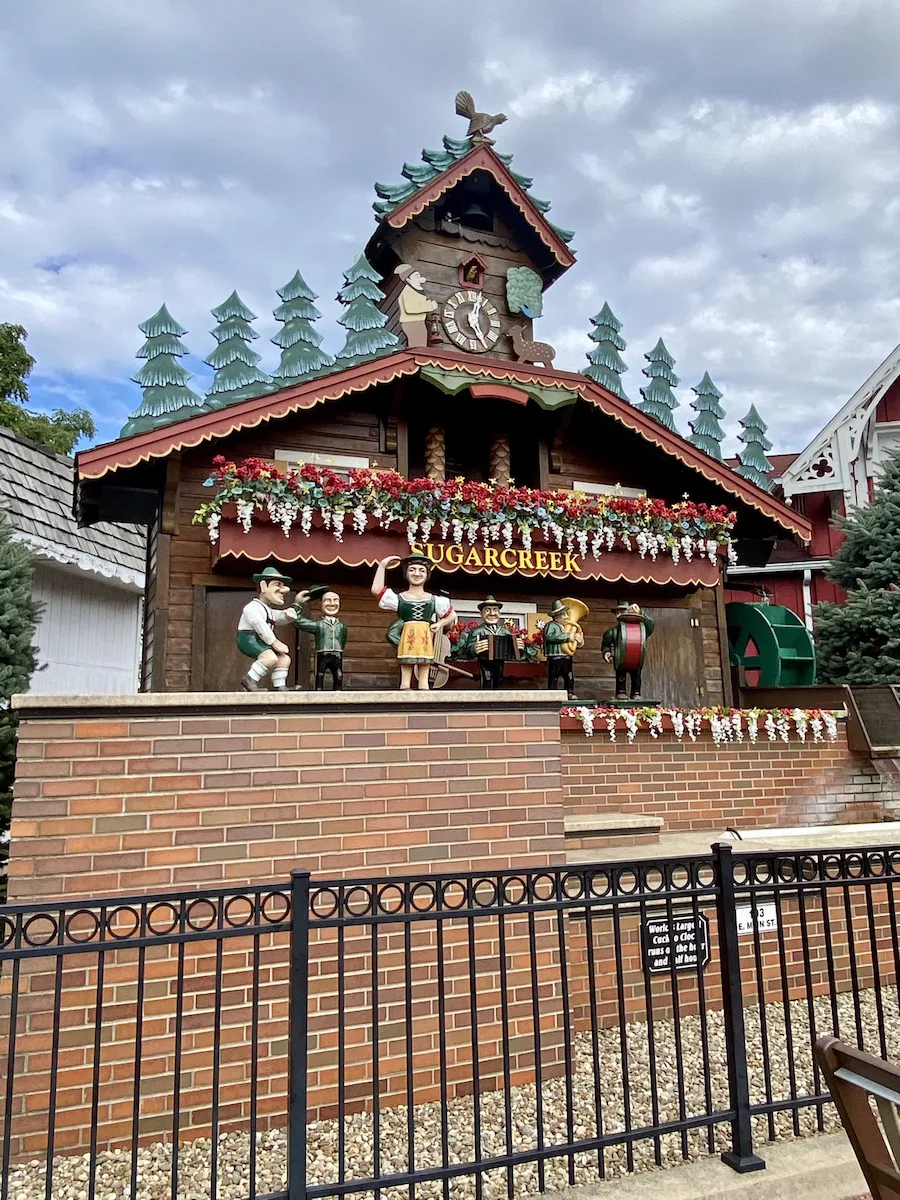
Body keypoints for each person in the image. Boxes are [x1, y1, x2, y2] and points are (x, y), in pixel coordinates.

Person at [371, 552, 455, 690]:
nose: (417, 573)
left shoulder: (434, 600)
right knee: (406, 660)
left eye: (421, 570)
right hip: (408, 632)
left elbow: (451, 615)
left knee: (425, 661)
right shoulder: (400, 598)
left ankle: (424, 685)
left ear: (427, 575)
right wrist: (382, 566)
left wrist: (439, 624)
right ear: (406, 574)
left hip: (424, 634)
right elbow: (376, 590)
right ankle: (404, 685)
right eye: (412, 570)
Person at [237, 566, 299, 691]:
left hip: (260, 639)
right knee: (270, 658)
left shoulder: (267, 609)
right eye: (278, 585)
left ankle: (280, 686)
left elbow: (278, 617)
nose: (283, 590)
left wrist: (289, 614)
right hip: (248, 638)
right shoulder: (252, 608)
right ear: (264, 586)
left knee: (284, 659)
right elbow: (261, 626)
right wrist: (274, 642)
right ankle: (249, 679)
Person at [293, 587, 348, 691]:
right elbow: (297, 620)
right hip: (322, 653)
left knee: (339, 675)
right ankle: (318, 693)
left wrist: (339, 648)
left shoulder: (342, 625)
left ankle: (338, 694)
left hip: (337, 653)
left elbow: (343, 639)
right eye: (328, 600)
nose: (332, 603)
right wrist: (297, 604)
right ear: (321, 604)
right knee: (319, 675)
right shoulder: (319, 624)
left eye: (335, 600)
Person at [465, 595, 522, 689]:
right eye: (487, 610)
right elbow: (468, 649)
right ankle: (485, 700)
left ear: (499, 613)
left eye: (495, 610)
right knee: (486, 679)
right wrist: (473, 648)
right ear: (481, 614)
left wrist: (519, 647)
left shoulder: (504, 631)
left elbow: (512, 644)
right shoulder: (478, 631)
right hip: (484, 661)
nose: (492, 613)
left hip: (499, 661)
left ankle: (498, 700)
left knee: (499, 679)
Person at [602, 601, 655, 700]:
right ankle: (621, 692)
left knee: (636, 677)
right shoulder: (612, 631)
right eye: (617, 613)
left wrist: (641, 613)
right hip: (620, 659)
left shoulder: (640, 630)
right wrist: (607, 652)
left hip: (636, 658)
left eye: (622, 612)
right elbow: (606, 645)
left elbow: (651, 625)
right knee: (621, 676)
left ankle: (636, 692)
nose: (619, 614)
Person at [543, 599, 584, 697]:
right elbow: (550, 637)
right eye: (563, 615)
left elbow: (574, 641)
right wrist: (569, 636)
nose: (566, 617)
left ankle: (570, 692)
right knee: (554, 676)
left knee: (569, 676)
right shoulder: (551, 625)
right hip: (555, 656)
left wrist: (579, 640)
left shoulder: (567, 627)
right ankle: (552, 694)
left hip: (566, 656)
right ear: (556, 616)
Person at [395, 264, 438, 348]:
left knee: (421, 344)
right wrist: (429, 306)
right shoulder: (408, 292)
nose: (418, 276)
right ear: (408, 279)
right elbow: (410, 308)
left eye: (418, 274)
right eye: (415, 275)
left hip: (418, 322)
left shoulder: (416, 289)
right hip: (412, 323)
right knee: (418, 346)